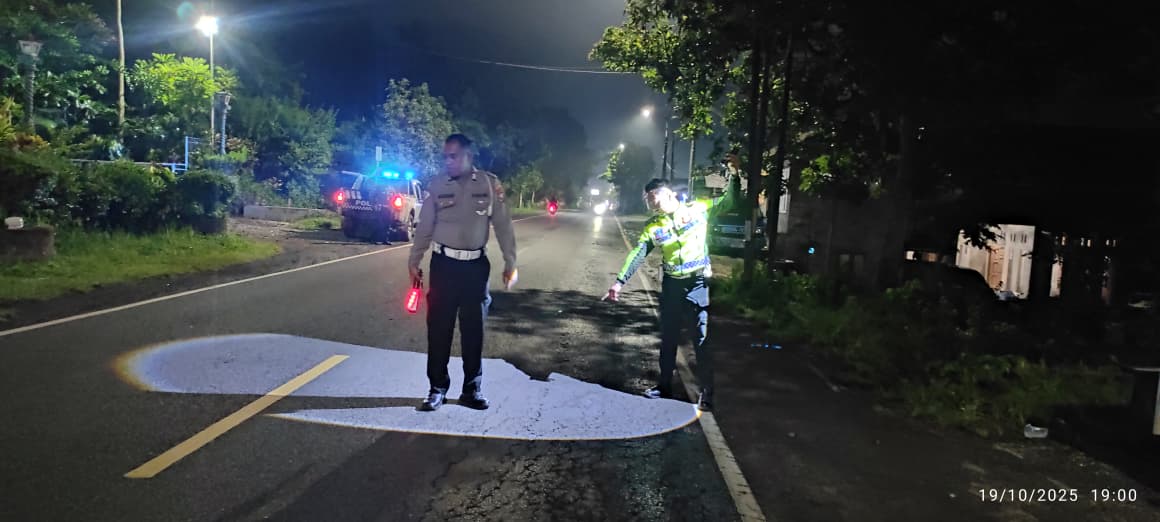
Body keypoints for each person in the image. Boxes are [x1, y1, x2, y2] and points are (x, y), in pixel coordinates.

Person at [603, 174, 740, 411]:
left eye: (653, 196)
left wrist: (735, 175)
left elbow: (728, 202)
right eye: (647, 199)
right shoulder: (654, 226)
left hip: (697, 284)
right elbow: (638, 253)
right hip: (672, 286)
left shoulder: (697, 208)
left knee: (701, 340)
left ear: (668, 193)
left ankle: (707, 393)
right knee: (668, 339)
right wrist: (619, 283)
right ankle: (664, 386)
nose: (650, 202)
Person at [409, 134, 517, 412]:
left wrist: (510, 261)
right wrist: (414, 259)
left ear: (468, 156)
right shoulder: (437, 184)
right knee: (439, 330)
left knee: (474, 331)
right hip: (444, 266)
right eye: (445, 156)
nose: (448, 161)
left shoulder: (489, 184)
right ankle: (437, 389)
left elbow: (503, 225)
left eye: (453, 156)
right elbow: (425, 227)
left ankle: (472, 389)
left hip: (475, 268)